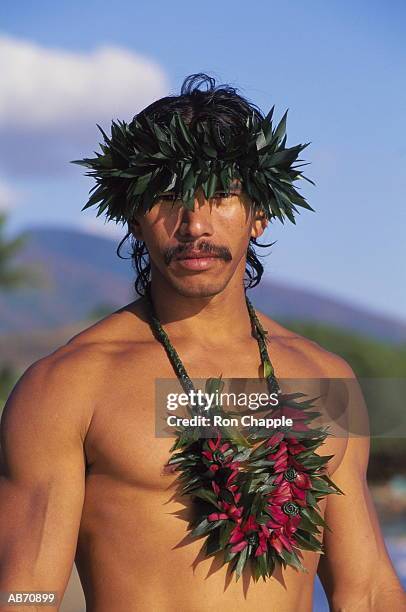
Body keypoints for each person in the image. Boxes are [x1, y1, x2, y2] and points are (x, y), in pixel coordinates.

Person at [0, 73, 404, 612]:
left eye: (220, 196)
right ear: (133, 218)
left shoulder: (324, 378)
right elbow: (26, 590)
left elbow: (369, 589)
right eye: (168, 198)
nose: (194, 224)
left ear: (259, 213)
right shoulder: (71, 384)